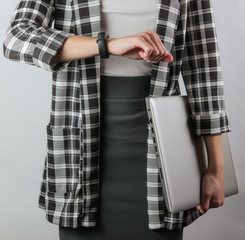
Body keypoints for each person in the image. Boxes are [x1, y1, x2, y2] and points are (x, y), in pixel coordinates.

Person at [3, 0, 231, 239]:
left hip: (161, 147)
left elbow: (204, 71)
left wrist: (216, 167)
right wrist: (107, 45)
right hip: (82, 143)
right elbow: (17, 37)